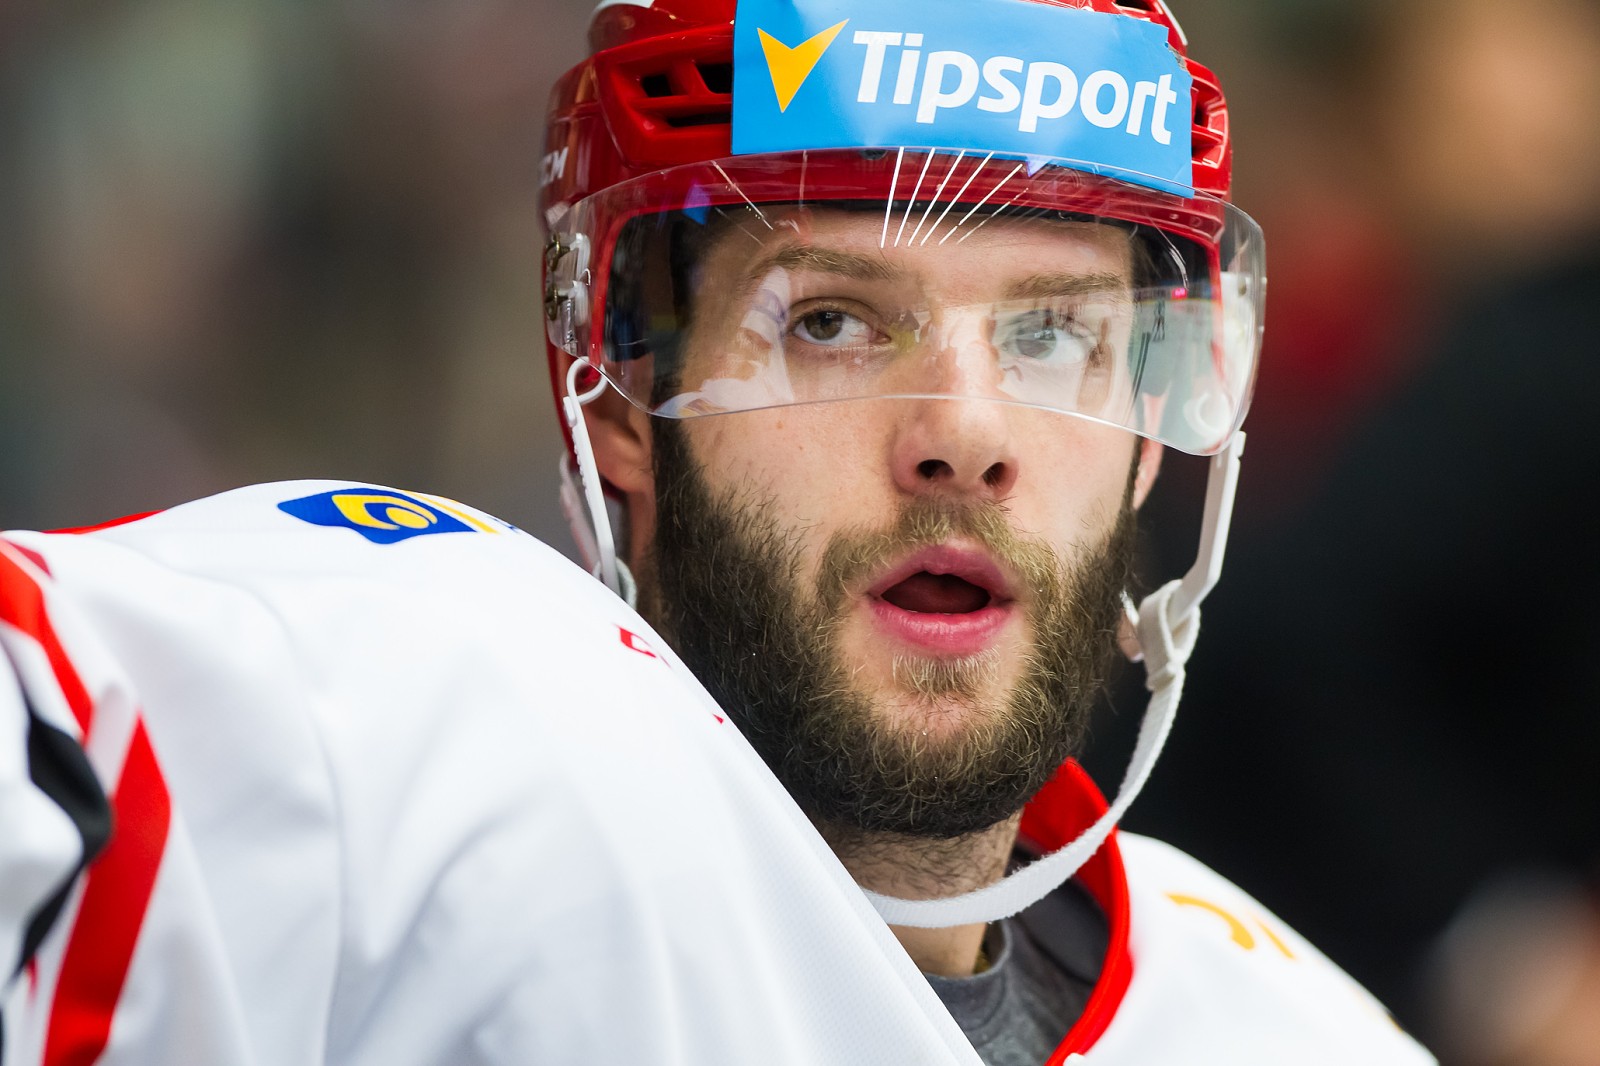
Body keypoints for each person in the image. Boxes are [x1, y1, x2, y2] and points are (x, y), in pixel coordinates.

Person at [3, 0, 1434, 1063]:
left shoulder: (1294, 1033)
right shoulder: (412, 735)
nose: (967, 431)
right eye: (832, 322)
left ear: (1150, 437)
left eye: (1055, 334)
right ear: (624, 396)